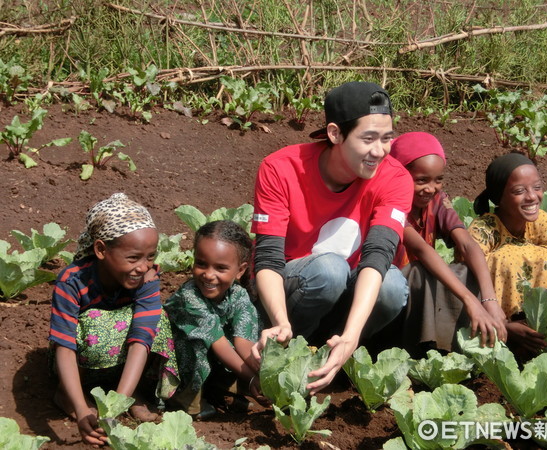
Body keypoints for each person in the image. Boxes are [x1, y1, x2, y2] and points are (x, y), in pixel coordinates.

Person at [250, 81, 413, 393]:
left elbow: (378, 255)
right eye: (368, 139)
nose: (379, 151)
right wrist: (281, 321)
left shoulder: (395, 179)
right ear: (336, 134)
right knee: (329, 271)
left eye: (387, 139)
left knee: (392, 285)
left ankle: (332, 355)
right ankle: (286, 355)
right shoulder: (280, 168)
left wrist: (351, 335)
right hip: (291, 295)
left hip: (345, 300)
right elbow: (268, 258)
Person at [48, 193, 179, 446]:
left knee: (158, 321)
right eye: (133, 258)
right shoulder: (72, 282)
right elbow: (64, 347)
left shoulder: (147, 278)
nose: (143, 266)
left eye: (150, 256)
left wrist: (117, 404)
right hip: (78, 365)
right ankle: (68, 395)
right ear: (100, 249)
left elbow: (142, 339)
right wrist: (80, 409)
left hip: (123, 361)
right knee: (96, 321)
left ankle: (129, 391)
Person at [388, 132, 506, 355]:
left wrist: (490, 300)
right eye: (421, 180)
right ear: (399, 174)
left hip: (422, 288)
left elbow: (468, 245)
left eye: (438, 180)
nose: (431, 188)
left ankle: (466, 343)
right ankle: (423, 348)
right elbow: (421, 249)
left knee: (465, 270)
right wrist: (470, 300)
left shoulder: (437, 201)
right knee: (418, 272)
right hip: (391, 291)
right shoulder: (390, 202)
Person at [469, 153, 547, 356]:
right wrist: (505, 327)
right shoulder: (483, 229)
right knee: (506, 256)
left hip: (545, 332)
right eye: (519, 191)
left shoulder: (542, 221)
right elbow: (470, 284)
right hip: (498, 325)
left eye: (537, 187)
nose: (532, 196)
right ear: (498, 197)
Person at [165, 220, 265, 418]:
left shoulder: (238, 295)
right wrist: (252, 380)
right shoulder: (189, 297)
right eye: (201, 264)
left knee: (255, 340)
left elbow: (243, 341)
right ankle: (185, 397)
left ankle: (218, 386)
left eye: (220, 268)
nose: (209, 275)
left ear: (240, 270)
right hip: (177, 362)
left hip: (215, 356)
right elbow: (218, 344)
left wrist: (262, 375)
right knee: (198, 341)